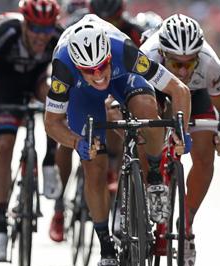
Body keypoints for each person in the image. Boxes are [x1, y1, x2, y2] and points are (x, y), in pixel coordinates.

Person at [44, 14, 191, 266]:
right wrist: (76, 143)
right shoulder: (63, 67)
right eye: (90, 71)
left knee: (148, 111)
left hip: (125, 77)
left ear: (108, 57)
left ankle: (153, 177)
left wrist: (180, 132)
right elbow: (52, 123)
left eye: (102, 67)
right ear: (77, 67)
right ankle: (107, 252)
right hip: (82, 97)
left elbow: (178, 89)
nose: (99, 76)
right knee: (94, 166)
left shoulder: (123, 51)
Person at [47, 0, 149, 243]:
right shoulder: (71, 39)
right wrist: (76, 140)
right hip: (81, 87)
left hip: (118, 76)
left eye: (115, 18)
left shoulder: (128, 34)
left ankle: (124, 172)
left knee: (129, 118)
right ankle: (60, 206)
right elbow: (53, 120)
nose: (111, 22)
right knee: (74, 143)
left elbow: (150, 79)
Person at [140, 14, 220, 266]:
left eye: (189, 63)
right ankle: (149, 186)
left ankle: (186, 224)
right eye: (175, 63)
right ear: (162, 53)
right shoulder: (146, 55)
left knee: (205, 156)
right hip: (157, 91)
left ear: (198, 56)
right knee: (147, 129)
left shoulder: (210, 64)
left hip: (197, 95)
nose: (182, 70)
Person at [0, 0, 62, 262]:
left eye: (47, 29)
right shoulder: (4, 33)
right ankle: (0, 227)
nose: (42, 36)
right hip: (5, 85)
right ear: (24, 23)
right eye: (35, 28)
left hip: (37, 82)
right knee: (5, 145)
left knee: (57, 99)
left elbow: (70, 83)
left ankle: (49, 160)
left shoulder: (58, 36)